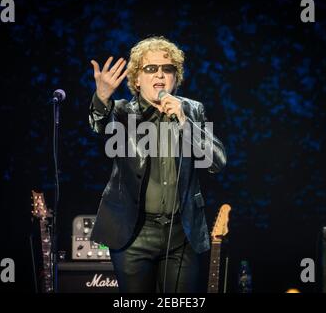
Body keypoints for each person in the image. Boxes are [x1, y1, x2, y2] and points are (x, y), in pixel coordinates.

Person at [88, 36, 226, 292]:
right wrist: (101, 97)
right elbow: (98, 124)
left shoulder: (192, 110)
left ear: (176, 77)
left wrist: (185, 122)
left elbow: (216, 162)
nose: (160, 74)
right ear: (137, 79)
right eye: (151, 68)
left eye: (168, 69)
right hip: (134, 234)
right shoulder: (121, 112)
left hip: (181, 234)